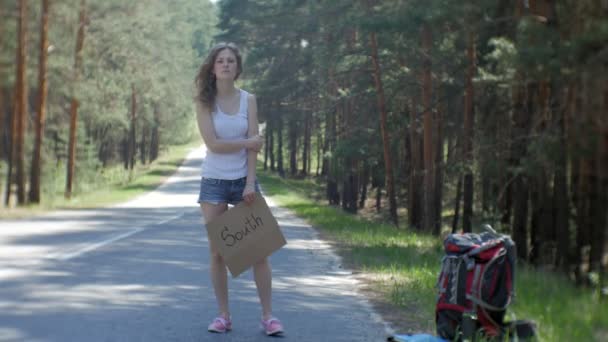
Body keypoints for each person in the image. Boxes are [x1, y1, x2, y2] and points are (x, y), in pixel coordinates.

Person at [194, 42, 284, 336]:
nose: (226, 64)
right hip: (214, 183)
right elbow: (214, 145)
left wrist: (249, 183)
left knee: (259, 252)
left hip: (244, 180)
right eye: (220, 60)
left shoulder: (249, 100)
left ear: (238, 68)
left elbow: (254, 149)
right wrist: (247, 142)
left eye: (231, 60)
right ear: (213, 67)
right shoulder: (204, 102)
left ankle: (268, 317)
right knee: (218, 253)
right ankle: (223, 316)